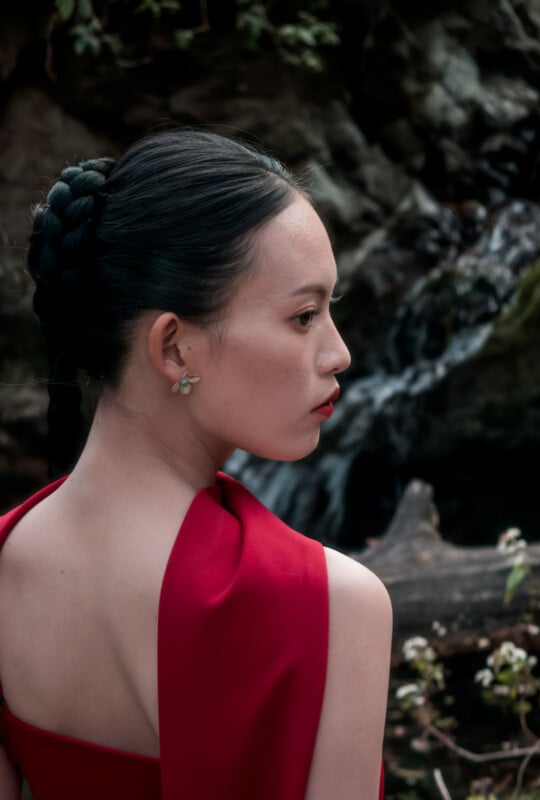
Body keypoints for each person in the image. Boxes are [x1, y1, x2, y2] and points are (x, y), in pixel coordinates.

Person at [0, 129, 392, 799]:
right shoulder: (335, 604)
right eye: (304, 317)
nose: (339, 354)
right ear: (175, 349)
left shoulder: (6, 562)